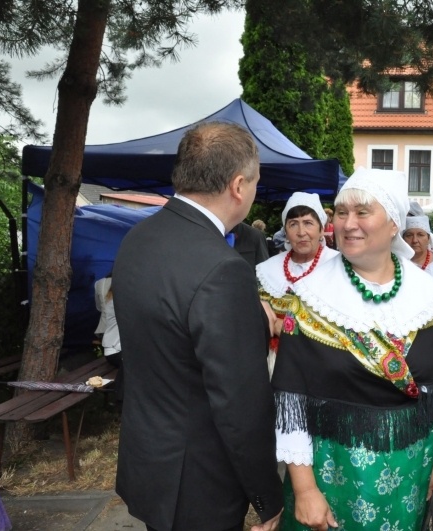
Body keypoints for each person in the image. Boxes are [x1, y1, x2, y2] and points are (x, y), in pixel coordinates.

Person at [272, 167, 433, 530]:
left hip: (411, 472)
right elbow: (291, 399)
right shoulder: (311, 297)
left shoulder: (428, 297)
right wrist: (305, 488)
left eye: (362, 212)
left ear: (393, 223)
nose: (348, 223)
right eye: (341, 213)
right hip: (333, 473)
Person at [113, 122, 282, 531]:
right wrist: (267, 496)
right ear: (239, 185)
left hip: (150, 459)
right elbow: (240, 403)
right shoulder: (223, 269)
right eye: (257, 182)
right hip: (198, 481)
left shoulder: (139, 237)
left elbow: (167, 330)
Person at [256, 192, 340, 374]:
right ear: (285, 231)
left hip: (324, 368)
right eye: (293, 224)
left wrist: (281, 327)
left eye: (308, 223)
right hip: (273, 368)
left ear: (321, 229)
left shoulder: (339, 267)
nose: (301, 232)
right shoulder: (265, 270)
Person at [94, 273, 124, 402]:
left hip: (117, 350)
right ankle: (118, 398)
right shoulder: (117, 304)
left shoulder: (112, 301)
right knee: (134, 363)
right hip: (115, 351)